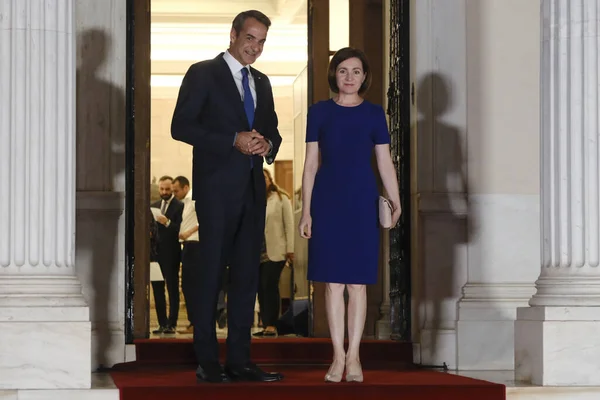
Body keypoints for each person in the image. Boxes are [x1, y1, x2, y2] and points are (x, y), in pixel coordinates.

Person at [171, 10, 283, 383]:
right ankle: (208, 362)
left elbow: (274, 132)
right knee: (210, 275)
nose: (256, 47)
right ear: (233, 34)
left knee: (247, 277)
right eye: (250, 38)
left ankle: (240, 361)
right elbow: (180, 126)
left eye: (262, 41)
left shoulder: (263, 82)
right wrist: (231, 140)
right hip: (216, 189)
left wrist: (268, 143)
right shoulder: (203, 73)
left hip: (253, 191)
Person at [298, 47, 401, 383]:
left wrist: (395, 201)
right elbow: (311, 164)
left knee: (357, 284)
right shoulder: (319, 112)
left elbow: (384, 161)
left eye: (356, 71)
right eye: (343, 71)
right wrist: (306, 211)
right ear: (334, 75)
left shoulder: (374, 114)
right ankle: (337, 357)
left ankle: (355, 357)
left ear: (364, 76)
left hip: (361, 199)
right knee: (331, 285)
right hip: (327, 201)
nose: (349, 77)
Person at [254, 169, 294, 337]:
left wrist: (290, 249)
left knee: (269, 285)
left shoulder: (281, 198)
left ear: (270, 179)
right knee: (260, 289)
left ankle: (271, 325)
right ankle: (265, 324)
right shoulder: (254, 200)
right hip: (257, 252)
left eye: (264, 177)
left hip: (276, 250)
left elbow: (289, 224)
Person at [150, 176, 184, 334]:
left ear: (172, 189)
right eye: (162, 189)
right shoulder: (154, 205)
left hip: (172, 253)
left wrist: (167, 222)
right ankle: (161, 322)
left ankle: (172, 323)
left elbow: (181, 229)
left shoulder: (180, 206)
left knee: (172, 289)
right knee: (157, 289)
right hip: (156, 254)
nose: (164, 192)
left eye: (167, 189)